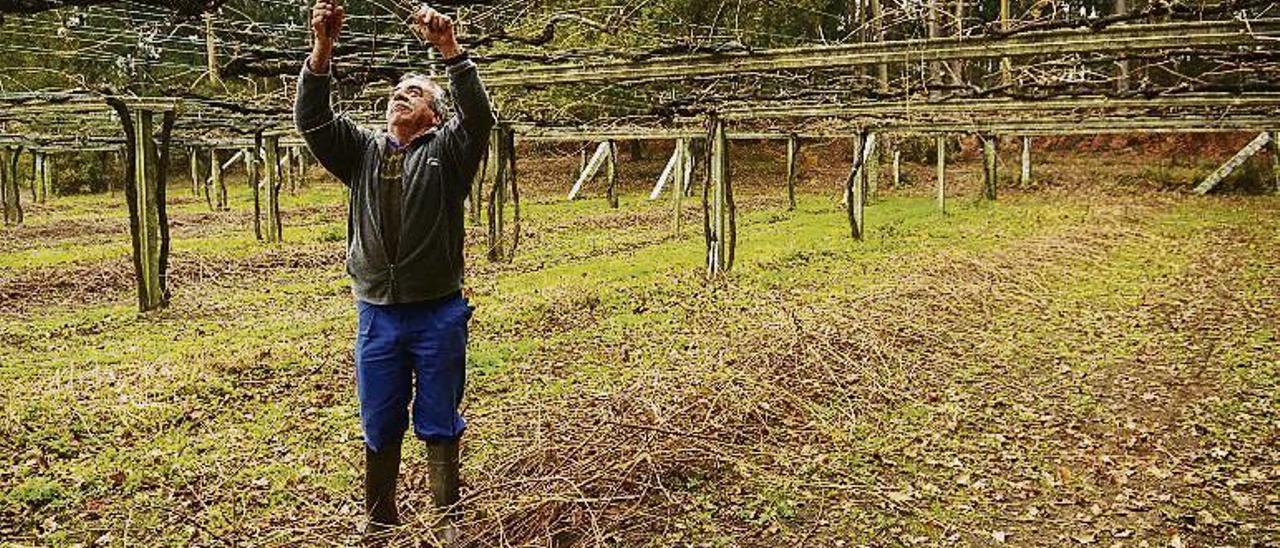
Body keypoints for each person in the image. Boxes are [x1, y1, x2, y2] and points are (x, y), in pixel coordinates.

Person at [294, 0, 496, 539]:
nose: (400, 96)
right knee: (380, 418)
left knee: (438, 415)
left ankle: (447, 518)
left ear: (434, 113)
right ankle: (380, 517)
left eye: (415, 92)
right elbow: (312, 120)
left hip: (437, 312)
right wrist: (323, 47)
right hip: (377, 314)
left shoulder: (449, 151)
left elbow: (479, 118)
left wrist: (449, 50)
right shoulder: (360, 152)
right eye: (396, 91)